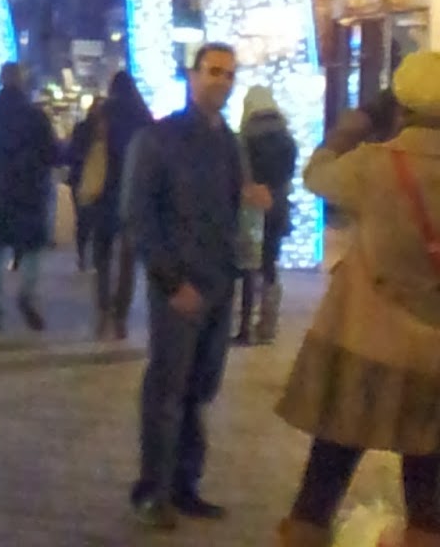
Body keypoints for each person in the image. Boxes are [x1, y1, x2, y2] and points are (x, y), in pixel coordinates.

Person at [274, 51, 440, 547]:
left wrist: (350, 128)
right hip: (433, 358)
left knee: (324, 477)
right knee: (429, 491)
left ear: (401, 107)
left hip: (361, 346)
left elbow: (315, 175)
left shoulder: (373, 165)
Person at [124, 41, 269, 530]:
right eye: (213, 71)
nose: (222, 81)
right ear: (191, 76)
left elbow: (231, 206)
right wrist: (170, 281)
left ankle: (185, 485)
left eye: (229, 74)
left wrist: (254, 201)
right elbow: (138, 217)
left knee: (200, 388)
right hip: (180, 284)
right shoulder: (158, 139)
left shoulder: (229, 142)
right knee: (167, 389)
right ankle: (153, 491)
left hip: (219, 281)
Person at [0, 62, 58, 333]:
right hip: (28, 192)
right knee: (31, 248)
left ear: (0, 81)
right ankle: (27, 293)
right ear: (22, 82)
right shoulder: (37, 117)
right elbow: (51, 153)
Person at [232, 84, 297, 346]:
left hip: (250, 208)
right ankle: (268, 325)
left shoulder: (244, 138)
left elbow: (239, 174)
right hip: (277, 206)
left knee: (248, 266)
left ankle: (245, 326)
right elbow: (288, 174)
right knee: (269, 264)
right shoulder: (287, 139)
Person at [92, 70, 153, 341]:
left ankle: (103, 307)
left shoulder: (103, 113)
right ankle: (121, 315)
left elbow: (86, 150)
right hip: (133, 193)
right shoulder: (143, 116)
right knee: (128, 257)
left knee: (103, 255)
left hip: (104, 192)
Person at [66, 98, 105, 272]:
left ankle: (83, 256)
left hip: (81, 180)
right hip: (98, 182)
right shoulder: (107, 131)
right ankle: (93, 258)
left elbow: (72, 153)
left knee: (83, 221)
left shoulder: (81, 128)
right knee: (94, 222)